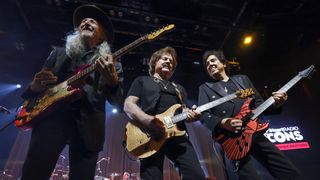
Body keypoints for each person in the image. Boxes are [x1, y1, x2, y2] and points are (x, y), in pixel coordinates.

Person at [20, 5, 123, 180]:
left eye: (93, 21)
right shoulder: (58, 53)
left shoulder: (112, 63)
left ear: (102, 35)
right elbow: (36, 87)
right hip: (51, 120)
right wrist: (34, 86)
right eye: (83, 21)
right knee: (33, 174)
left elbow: (117, 102)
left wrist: (113, 82)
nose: (86, 22)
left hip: (89, 125)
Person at [198, 50, 301, 180]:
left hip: (254, 131)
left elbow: (259, 104)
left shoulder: (242, 80)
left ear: (224, 63)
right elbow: (204, 116)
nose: (210, 65)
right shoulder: (205, 88)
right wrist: (223, 123)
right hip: (232, 139)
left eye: (213, 60)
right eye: (207, 64)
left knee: (289, 172)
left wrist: (276, 104)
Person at [123, 46, 206, 180]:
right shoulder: (142, 81)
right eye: (164, 58)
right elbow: (128, 105)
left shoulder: (179, 89)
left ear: (173, 68)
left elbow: (184, 111)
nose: (168, 61)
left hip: (177, 135)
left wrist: (192, 115)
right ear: (154, 62)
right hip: (149, 134)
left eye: (171, 61)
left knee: (196, 175)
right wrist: (148, 121)